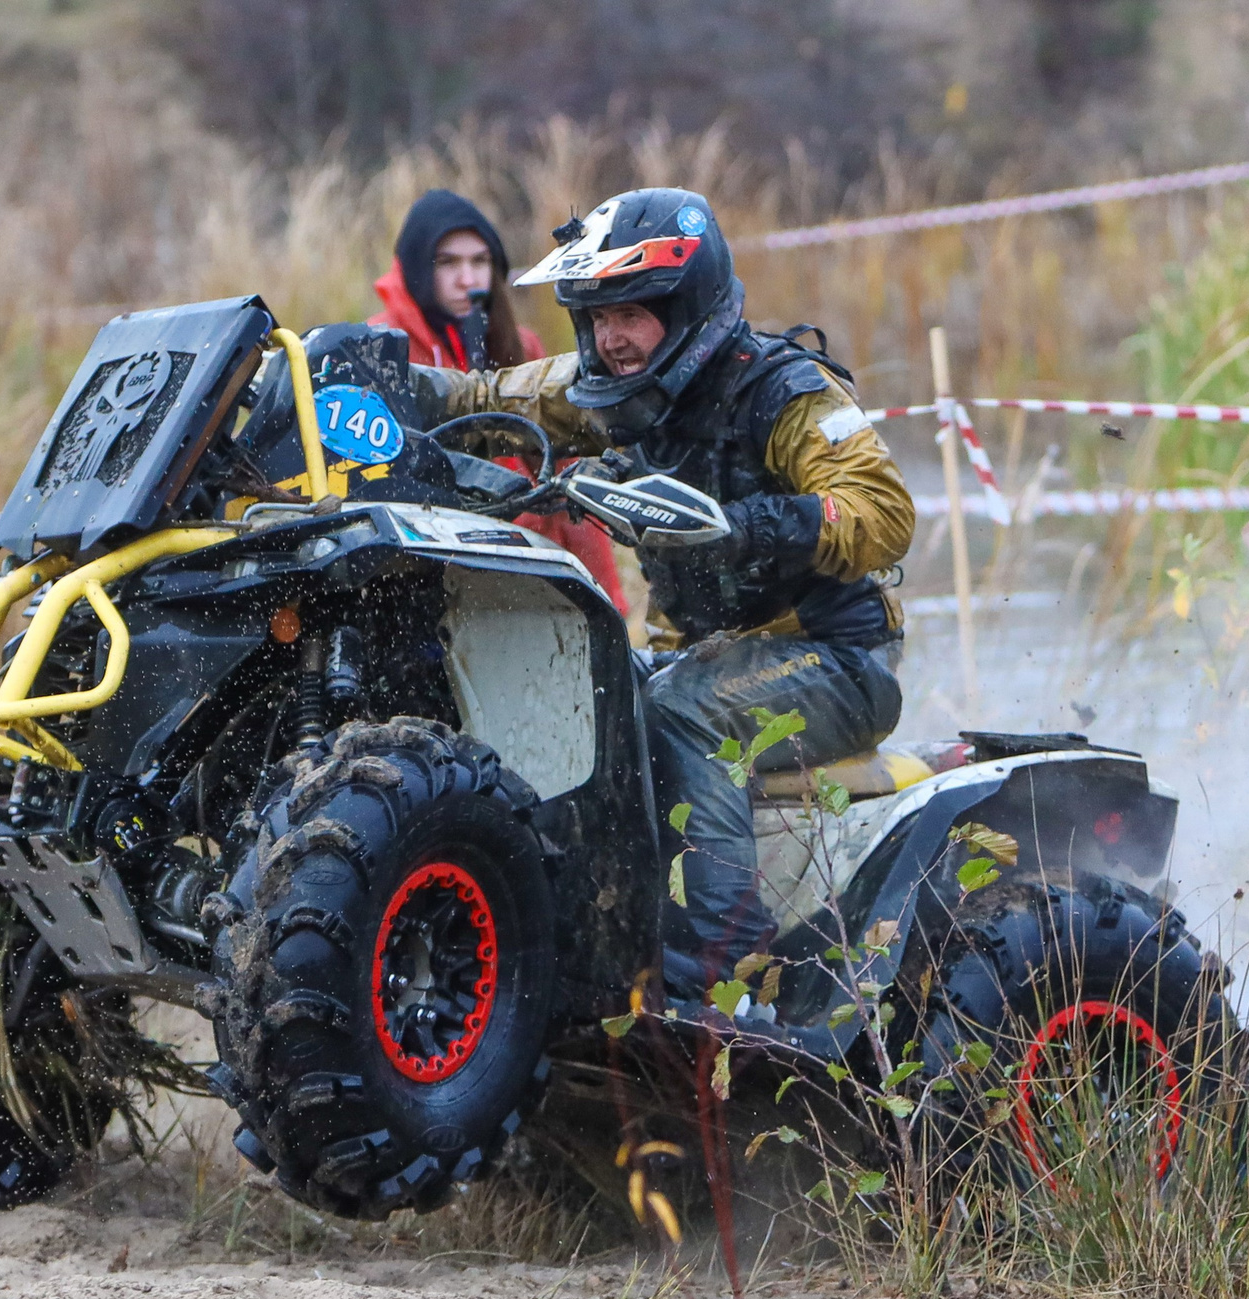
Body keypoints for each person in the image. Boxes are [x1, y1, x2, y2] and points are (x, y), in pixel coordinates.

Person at [411, 187, 917, 1007]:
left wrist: (747, 525)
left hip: (835, 659)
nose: (612, 337)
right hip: (705, 657)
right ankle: (587, 933)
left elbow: (883, 512)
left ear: (688, 307)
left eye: (634, 313)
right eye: (598, 316)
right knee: (583, 691)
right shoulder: (618, 387)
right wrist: (385, 380)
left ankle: (732, 971)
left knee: (679, 710)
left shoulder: (785, 392)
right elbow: (485, 399)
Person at [371, 190, 625, 607]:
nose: (467, 279)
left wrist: (606, 597)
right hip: (428, 571)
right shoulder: (383, 352)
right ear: (417, 268)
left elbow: (568, 479)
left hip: (530, 566)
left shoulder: (521, 345)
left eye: (480, 261)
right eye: (448, 262)